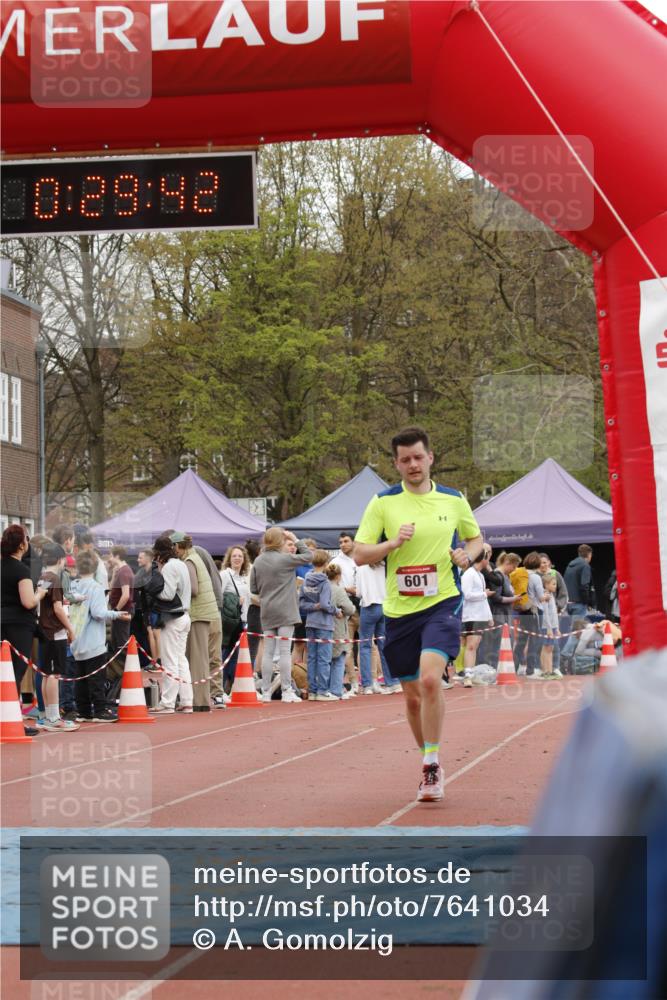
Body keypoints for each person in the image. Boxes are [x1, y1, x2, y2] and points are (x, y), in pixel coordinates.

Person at [354, 427, 483, 803]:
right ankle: (428, 757)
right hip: (399, 609)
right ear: (396, 463)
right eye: (405, 459)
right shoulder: (383, 503)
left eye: (418, 457)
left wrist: (468, 555)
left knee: (430, 680)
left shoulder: (454, 499)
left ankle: (430, 763)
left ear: (430, 458)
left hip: (442, 601)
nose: (413, 464)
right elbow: (360, 554)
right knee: (411, 697)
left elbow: (475, 539)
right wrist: (392, 543)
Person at [249, 528, 312, 703]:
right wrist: (295, 538)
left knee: (268, 652)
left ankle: (266, 691)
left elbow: (253, 589)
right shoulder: (285, 559)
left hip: (267, 611)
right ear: (279, 541)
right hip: (286, 611)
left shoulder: (258, 561)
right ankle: (286, 690)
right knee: (285, 651)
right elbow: (308, 556)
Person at [70, 550, 131, 722]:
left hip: (77, 638)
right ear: (96, 566)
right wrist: (117, 614)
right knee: (96, 676)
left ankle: (83, 710)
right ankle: (99, 710)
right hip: (93, 640)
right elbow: (98, 613)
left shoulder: (73, 585)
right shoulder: (95, 587)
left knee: (80, 677)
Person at [0, 524, 48, 736]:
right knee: (15, 674)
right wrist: (41, 593)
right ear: (21, 545)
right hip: (18, 627)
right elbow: (28, 602)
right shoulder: (21, 570)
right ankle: (12, 721)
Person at [172, 533, 218, 711]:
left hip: (198, 614)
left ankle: (199, 701)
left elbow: (193, 589)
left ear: (177, 546)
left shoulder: (189, 561)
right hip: (203, 613)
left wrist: (177, 590)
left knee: (197, 659)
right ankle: (199, 699)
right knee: (199, 657)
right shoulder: (195, 557)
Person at [37, 542, 79, 732]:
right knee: (54, 674)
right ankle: (53, 718)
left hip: (44, 630)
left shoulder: (43, 577)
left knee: (47, 674)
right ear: (61, 560)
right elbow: (57, 608)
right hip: (55, 632)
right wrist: (70, 628)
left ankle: (48, 715)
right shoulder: (55, 578)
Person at [150, 534, 193, 714]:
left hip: (172, 618)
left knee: (169, 660)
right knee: (181, 659)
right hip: (185, 615)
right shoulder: (182, 564)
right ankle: (186, 700)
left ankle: (167, 702)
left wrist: (153, 593)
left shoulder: (168, 567)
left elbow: (167, 595)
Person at [356, 560, 400, 695]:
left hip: (369, 606)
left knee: (365, 646)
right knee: (384, 644)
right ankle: (392, 682)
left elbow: (358, 592)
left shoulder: (361, 566)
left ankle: (367, 684)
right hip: (385, 605)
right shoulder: (385, 565)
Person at [299, 549, 337, 702]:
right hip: (324, 623)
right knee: (324, 658)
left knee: (312, 657)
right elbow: (325, 604)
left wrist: (313, 607)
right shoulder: (325, 582)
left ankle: (313, 690)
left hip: (310, 622)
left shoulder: (306, 580)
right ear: (326, 563)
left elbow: (301, 603)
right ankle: (322, 690)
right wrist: (337, 610)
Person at [219, 544, 252, 693]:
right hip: (229, 621)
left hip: (243, 620)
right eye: (234, 556)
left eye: (240, 556)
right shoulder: (225, 575)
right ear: (229, 559)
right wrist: (233, 601)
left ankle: (230, 685)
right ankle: (224, 684)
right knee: (227, 653)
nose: (237, 558)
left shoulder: (244, 578)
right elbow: (219, 596)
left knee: (235, 654)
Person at [461, 550, 494, 686]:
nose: (489, 561)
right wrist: (484, 594)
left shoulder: (479, 574)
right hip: (471, 615)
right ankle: (467, 676)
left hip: (479, 615)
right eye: (488, 557)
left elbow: (483, 599)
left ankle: (470, 674)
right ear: (483, 560)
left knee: (473, 646)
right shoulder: (469, 574)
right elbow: (467, 594)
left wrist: (489, 617)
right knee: (470, 645)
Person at [325, 563, 356, 699]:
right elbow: (350, 609)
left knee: (325, 660)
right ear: (339, 576)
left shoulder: (322, 588)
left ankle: (323, 689)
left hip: (322, 627)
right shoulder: (338, 590)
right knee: (338, 658)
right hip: (337, 627)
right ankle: (336, 690)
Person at [335, 532, 360, 688]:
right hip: (346, 607)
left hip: (364, 605)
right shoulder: (336, 562)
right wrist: (348, 590)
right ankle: (353, 681)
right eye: (340, 542)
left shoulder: (362, 560)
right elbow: (333, 585)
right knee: (347, 648)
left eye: (346, 541)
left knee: (370, 646)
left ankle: (371, 680)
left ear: (353, 542)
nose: (342, 544)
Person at [107, 545, 134, 681]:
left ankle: (123, 675)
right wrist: (113, 575)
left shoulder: (124, 572)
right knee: (118, 643)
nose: (109, 559)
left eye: (111, 556)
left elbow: (126, 595)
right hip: (119, 613)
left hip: (121, 613)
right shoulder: (121, 571)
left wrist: (116, 611)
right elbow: (112, 590)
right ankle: (120, 675)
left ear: (117, 556)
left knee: (121, 644)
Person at [539, 572, 562, 678]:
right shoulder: (545, 596)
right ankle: (545, 671)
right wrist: (549, 628)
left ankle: (550, 669)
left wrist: (556, 628)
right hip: (546, 627)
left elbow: (554, 614)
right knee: (546, 647)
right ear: (546, 585)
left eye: (555, 584)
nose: (555, 586)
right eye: (553, 584)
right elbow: (546, 614)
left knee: (550, 648)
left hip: (552, 626)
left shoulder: (552, 596)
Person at [564, 544, 595, 617]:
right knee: (579, 628)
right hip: (579, 604)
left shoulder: (570, 565)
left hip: (568, 604)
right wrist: (586, 602)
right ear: (589, 554)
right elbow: (584, 585)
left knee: (572, 628)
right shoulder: (585, 565)